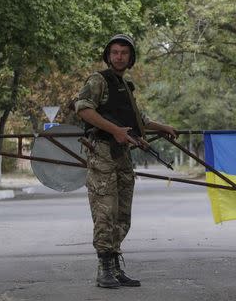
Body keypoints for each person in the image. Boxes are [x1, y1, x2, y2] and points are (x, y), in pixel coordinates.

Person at [74, 34, 177, 289]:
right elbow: (83, 109)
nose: (119, 57)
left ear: (131, 58)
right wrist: (116, 131)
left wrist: (161, 127)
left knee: (122, 214)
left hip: (121, 155)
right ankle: (104, 268)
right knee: (105, 212)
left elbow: (138, 119)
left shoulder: (125, 85)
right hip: (102, 154)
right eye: (115, 52)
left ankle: (115, 265)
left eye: (124, 53)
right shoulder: (99, 80)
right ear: (108, 56)